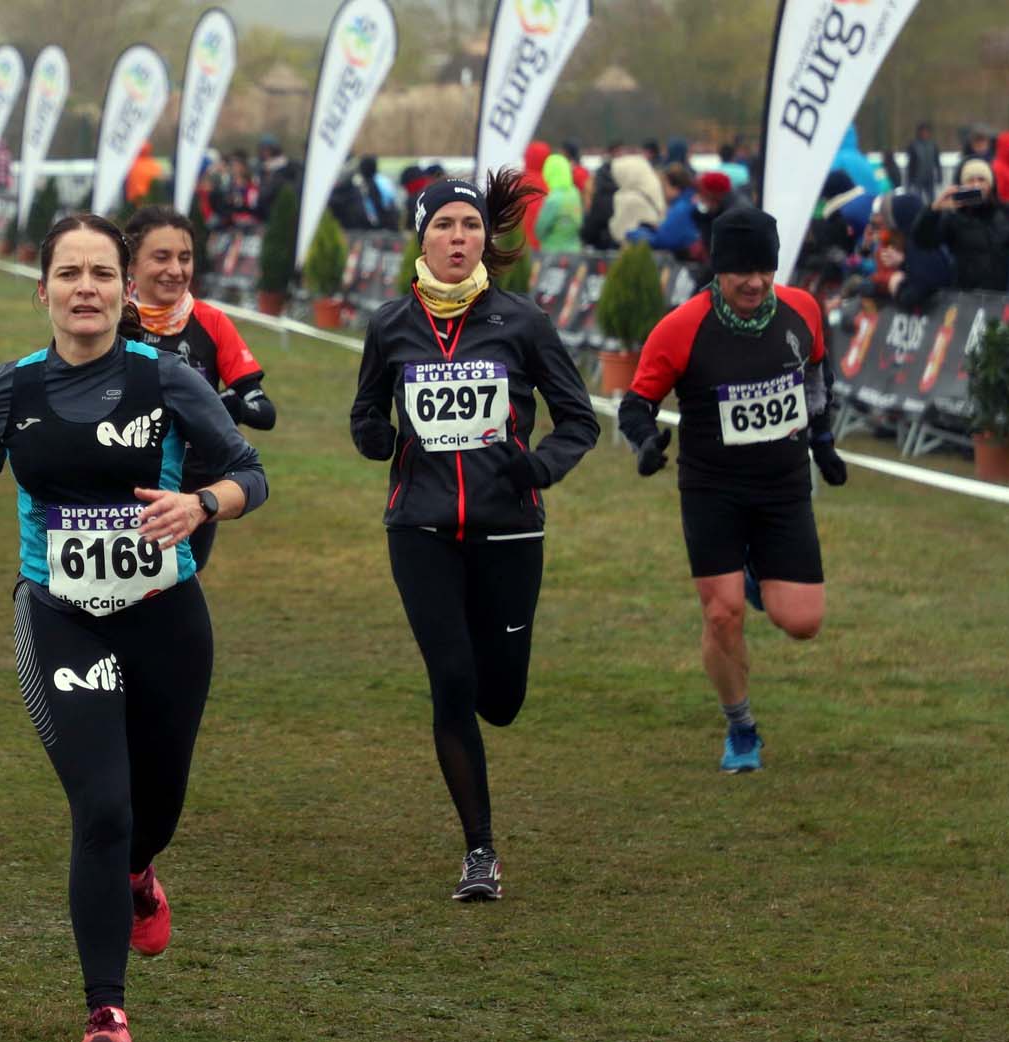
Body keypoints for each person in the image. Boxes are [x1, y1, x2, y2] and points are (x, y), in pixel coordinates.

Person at [0, 212, 267, 1042]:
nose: (85, 289)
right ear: (42, 291)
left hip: (165, 618)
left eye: (102, 273)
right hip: (61, 614)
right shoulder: (8, 389)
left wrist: (203, 504)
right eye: (69, 273)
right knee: (102, 807)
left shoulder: (170, 379)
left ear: (125, 290)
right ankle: (106, 1015)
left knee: (157, 807)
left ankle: (144, 872)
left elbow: (248, 471)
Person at [349, 172, 598, 901]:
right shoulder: (390, 324)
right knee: (451, 682)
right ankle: (480, 851)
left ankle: (493, 703)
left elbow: (579, 419)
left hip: (509, 530)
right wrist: (373, 434)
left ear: (487, 237)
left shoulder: (524, 323)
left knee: (502, 698)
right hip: (419, 527)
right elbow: (366, 416)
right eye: (444, 226)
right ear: (420, 237)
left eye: (469, 226)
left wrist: (538, 466)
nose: (458, 238)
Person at [616, 207, 847, 774]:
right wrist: (645, 443)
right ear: (719, 270)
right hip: (712, 487)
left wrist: (823, 442)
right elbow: (634, 403)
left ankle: (753, 574)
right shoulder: (681, 328)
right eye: (741, 271)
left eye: (764, 269)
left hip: (784, 487)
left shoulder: (803, 311)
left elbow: (817, 376)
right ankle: (741, 728)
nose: (754, 282)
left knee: (803, 622)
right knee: (722, 615)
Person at [124, 205, 277, 570]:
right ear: (130, 264)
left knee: (176, 593)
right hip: (124, 483)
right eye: (161, 257)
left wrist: (229, 406)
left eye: (185, 258)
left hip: (195, 492)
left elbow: (264, 411)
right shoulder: (111, 321)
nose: (176, 270)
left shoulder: (211, 321)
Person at [912, 160, 1009, 293]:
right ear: (961, 185)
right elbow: (923, 241)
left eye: (982, 180)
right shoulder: (952, 217)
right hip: (968, 299)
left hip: (1005, 297)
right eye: (970, 180)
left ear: (991, 184)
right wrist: (934, 210)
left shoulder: (1007, 212)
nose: (976, 185)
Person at [627, 162, 701, 257]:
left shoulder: (680, 208)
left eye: (664, 186)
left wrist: (634, 234)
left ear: (675, 187)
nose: (662, 191)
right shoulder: (691, 201)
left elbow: (664, 241)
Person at [608, 153, 665, 247]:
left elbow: (617, 232)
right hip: (653, 249)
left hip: (632, 251)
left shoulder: (627, 198)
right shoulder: (654, 186)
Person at [533, 153, 583, 254]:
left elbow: (540, 229)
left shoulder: (554, 198)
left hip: (552, 252)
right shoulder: (575, 193)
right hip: (574, 251)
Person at [902, 123, 943, 204]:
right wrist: (909, 180)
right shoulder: (913, 145)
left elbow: (937, 162)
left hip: (929, 178)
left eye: (926, 131)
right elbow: (910, 164)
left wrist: (939, 175)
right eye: (923, 131)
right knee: (917, 200)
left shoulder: (933, 145)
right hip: (917, 178)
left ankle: (932, 215)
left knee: (932, 200)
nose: (925, 133)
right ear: (919, 132)